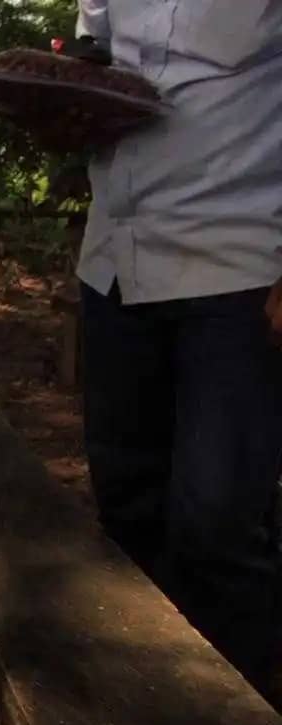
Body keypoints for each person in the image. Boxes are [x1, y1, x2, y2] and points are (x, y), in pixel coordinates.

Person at [74, 0, 282, 688]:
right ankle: (149, 718)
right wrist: (56, 100)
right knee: (126, 508)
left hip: (238, 265)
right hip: (114, 263)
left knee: (217, 530)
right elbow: (93, 59)